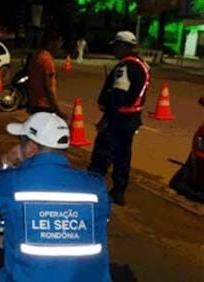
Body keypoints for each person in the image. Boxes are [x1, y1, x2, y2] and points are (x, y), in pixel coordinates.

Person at [0, 112, 111, 282]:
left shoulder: (10, 181)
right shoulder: (96, 185)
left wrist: (6, 163)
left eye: (21, 143)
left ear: (31, 148)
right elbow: (101, 222)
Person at [88, 31, 150, 206]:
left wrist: (106, 121)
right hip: (132, 119)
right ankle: (119, 190)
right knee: (123, 156)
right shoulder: (143, 65)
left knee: (102, 155)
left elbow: (118, 96)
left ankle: (91, 189)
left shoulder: (124, 67)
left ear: (123, 46)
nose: (114, 49)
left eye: (116, 46)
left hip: (118, 119)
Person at [26, 30, 66, 118]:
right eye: (59, 41)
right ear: (51, 42)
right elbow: (49, 88)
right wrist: (57, 110)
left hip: (34, 102)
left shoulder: (36, 55)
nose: (60, 45)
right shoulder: (47, 60)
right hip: (44, 105)